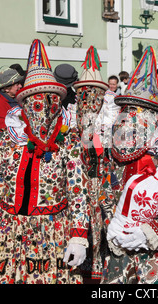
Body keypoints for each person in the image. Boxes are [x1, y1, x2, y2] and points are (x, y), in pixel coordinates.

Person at [0, 39, 90, 284]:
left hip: (51, 232)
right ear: (24, 102)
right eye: (35, 100)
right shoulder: (10, 138)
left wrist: (78, 237)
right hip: (7, 231)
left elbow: (78, 192)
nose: (42, 106)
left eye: (49, 99)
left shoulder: (67, 140)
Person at [100, 46, 158, 284]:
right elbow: (105, 191)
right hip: (120, 247)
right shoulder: (113, 147)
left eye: (140, 111)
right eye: (127, 110)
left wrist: (152, 231)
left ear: (154, 115)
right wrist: (115, 229)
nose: (131, 117)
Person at [72, 45, 113, 281]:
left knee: (101, 223)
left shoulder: (109, 121)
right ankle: (86, 267)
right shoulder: (71, 117)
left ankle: (99, 266)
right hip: (81, 182)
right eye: (85, 93)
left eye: (94, 94)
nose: (89, 99)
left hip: (101, 182)